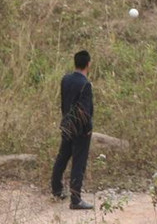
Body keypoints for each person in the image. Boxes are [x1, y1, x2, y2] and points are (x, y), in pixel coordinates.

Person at [51, 50, 95, 210]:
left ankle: (56, 190)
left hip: (67, 124)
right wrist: (88, 128)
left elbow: (64, 103)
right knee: (79, 162)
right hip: (80, 130)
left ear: (75, 62)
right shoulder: (85, 84)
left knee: (62, 157)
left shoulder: (65, 79)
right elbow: (86, 110)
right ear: (88, 64)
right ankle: (76, 200)